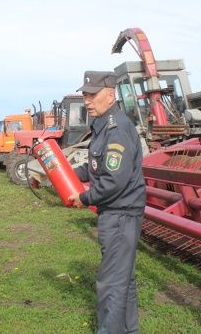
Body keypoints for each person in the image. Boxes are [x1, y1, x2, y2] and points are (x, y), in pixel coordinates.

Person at [68, 71, 146, 334]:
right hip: (116, 214)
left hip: (120, 214)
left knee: (112, 282)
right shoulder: (103, 126)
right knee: (123, 280)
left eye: (92, 95)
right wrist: (58, 174)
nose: (87, 101)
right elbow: (94, 169)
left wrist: (84, 197)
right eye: (85, 95)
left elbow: (113, 180)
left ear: (110, 95)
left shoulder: (117, 129)